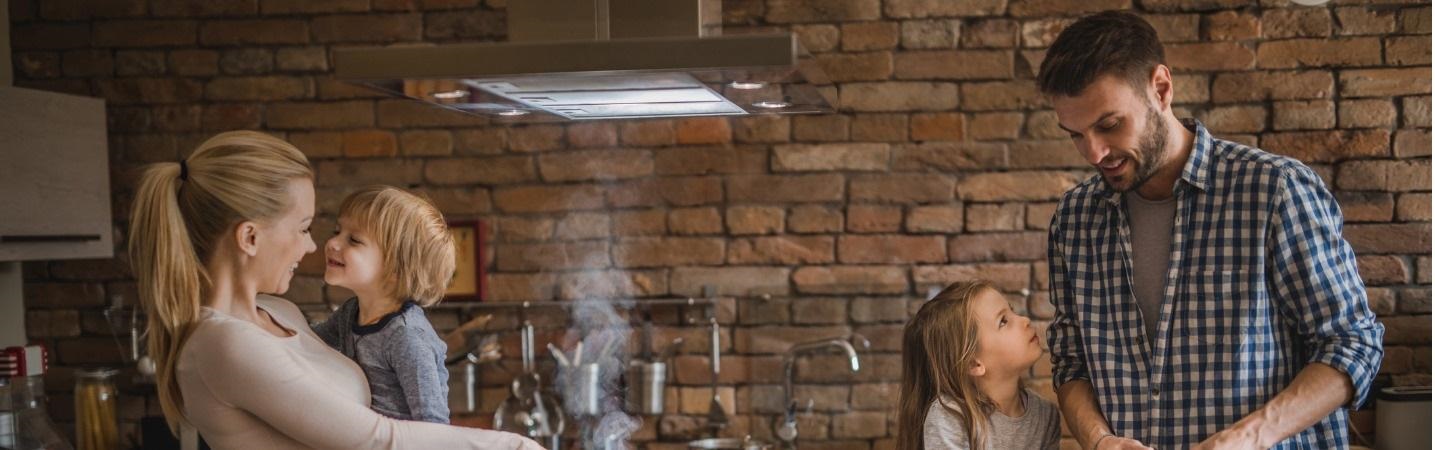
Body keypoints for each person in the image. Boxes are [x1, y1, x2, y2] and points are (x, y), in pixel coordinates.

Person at [1039, 11, 1384, 450]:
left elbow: (1354, 343)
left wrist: (1250, 436)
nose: (1094, 152)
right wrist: (1099, 439)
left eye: (1109, 125)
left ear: (1161, 89)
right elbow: (1071, 364)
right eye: (1075, 134)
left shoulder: (1275, 190)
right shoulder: (1074, 219)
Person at [128, 131, 540, 449]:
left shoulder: (279, 312)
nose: (313, 245)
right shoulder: (223, 342)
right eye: (304, 228)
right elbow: (377, 440)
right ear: (250, 238)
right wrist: (515, 444)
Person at [312, 185, 457, 423]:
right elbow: (310, 341)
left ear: (395, 269)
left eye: (354, 240)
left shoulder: (407, 337)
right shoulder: (351, 312)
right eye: (337, 231)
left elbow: (433, 424)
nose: (333, 243)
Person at [897, 281, 1060, 450]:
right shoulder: (951, 417)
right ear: (974, 364)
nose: (1025, 320)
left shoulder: (1045, 416)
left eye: (1013, 311)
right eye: (1003, 321)